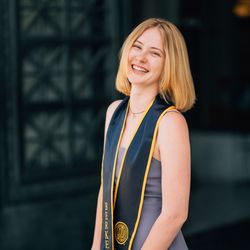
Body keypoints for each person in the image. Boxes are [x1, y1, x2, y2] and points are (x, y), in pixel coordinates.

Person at [91, 17, 196, 250]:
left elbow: (175, 214)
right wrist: (96, 246)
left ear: (169, 65)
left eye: (154, 53)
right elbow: (105, 189)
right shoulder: (114, 113)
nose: (140, 57)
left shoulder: (170, 122)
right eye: (137, 46)